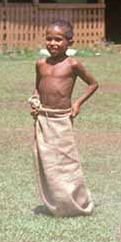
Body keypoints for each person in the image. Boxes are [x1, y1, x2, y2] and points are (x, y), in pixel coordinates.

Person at [30, 19, 98, 217]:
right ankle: (57, 203)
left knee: (66, 161)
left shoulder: (73, 64)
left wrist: (77, 104)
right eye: (49, 39)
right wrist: (35, 99)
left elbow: (93, 84)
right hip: (43, 117)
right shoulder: (40, 63)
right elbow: (37, 86)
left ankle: (77, 202)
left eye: (58, 39)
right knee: (47, 161)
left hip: (62, 118)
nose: (52, 43)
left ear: (70, 42)